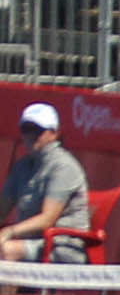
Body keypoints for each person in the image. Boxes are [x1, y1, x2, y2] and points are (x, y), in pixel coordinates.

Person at [2, 101, 89, 266]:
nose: (31, 135)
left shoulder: (64, 166)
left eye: (37, 130)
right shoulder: (22, 166)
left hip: (63, 246)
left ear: (54, 133)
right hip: (32, 241)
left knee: (4, 250)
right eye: (26, 129)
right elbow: (2, 209)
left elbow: (47, 220)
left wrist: (9, 231)